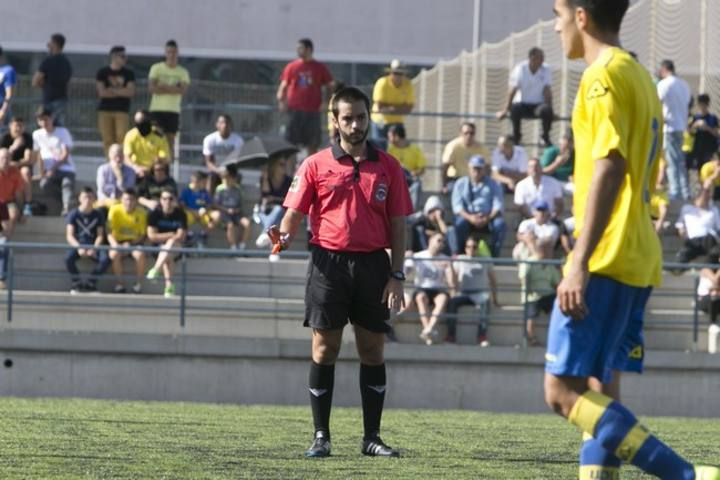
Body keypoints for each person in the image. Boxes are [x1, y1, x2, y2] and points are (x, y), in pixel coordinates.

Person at [547, 1, 719, 479]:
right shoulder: (641, 75)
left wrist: (578, 260)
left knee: (562, 393)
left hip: (607, 254)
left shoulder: (601, 77)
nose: (557, 27)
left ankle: (687, 475)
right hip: (638, 253)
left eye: (559, 16)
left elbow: (609, 164)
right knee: (602, 387)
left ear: (581, 16)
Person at [270, 86, 413, 458]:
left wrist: (397, 275)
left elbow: (398, 225)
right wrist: (282, 236)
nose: (355, 124)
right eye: (347, 118)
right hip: (327, 264)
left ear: (369, 119)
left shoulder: (389, 167)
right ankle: (321, 436)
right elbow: (294, 214)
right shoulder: (315, 164)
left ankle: (372, 438)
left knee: (372, 350)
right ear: (334, 121)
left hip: (372, 265)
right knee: (324, 347)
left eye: (361, 117)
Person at [276, 38, 333, 156]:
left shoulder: (319, 67)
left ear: (309, 49)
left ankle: (310, 172)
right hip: (294, 111)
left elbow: (330, 85)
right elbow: (283, 86)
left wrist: (326, 102)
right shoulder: (292, 66)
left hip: (312, 112)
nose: (298, 51)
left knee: (312, 145)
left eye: (300, 48)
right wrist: (281, 101)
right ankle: (290, 173)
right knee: (290, 145)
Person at [446, 236, 499, 346]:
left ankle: (482, 336)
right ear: (465, 248)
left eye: (474, 247)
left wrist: (495, 299)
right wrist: (450, 267)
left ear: (477, 248)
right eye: (468, 247)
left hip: (479, 294)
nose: (471, 249)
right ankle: (451, 336)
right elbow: (453, 281)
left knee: (485, 303)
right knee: (451, 303)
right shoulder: (460, 259)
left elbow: (493, 280)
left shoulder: (486, 260)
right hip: (463, 293)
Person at [496, 47, 554, 147]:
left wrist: (551, 111)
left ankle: (545, 137)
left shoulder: (546, 69)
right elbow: (512, 90)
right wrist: (505, 110)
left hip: (538, 106)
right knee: (515, 109)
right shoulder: (520, 69)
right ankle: (517, 137)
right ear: (532, 58)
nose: (542, 61)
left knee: (546, 110)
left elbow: (547, 91)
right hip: (522, 104)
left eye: (543, 58)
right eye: (540, 58)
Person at [451, 155, 506, 257]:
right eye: (474, 168)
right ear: (469, 169)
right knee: (459, 223)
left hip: (488, 218)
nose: (477, 171)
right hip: (468, 217)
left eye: (479, 168)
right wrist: (470, 217)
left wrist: (488, 218)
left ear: (484, 169)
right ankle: (461, 254)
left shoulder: (494, 184)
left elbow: (498, 205)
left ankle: (494, 256)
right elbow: (457, 207)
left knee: (500, 224)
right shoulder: (460, 183)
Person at [407, 232, 454, 346]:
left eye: (443, 242)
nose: (441, 244)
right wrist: (408, 259)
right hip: (422, 288)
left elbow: (451, 282)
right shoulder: (418, 256)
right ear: (430, 241)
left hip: (437, 289)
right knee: (421, 297)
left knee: (442, 298)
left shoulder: (445, 259)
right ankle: (428, 330)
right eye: (439, 240)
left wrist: (449, 267)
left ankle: (428, 329)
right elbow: (406, 273)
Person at [148, 39, 190, 159]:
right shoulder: (156, 68)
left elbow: (182, 91)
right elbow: (152, 88)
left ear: (177, 53)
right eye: (169, 52)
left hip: (173, 111)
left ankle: (167, 167)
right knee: (156, 139)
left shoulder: (182, 72)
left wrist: (162, 85)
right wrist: (173, 88)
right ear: (165, 53)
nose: (171, 55)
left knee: (170, 141)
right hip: (157, 110)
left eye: (174, 52)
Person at [657, 59, 692, 201]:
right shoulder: (684, 84)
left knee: (672, 161)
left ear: (664, 69)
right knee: (680, 161)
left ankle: (675, 191)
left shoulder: (664, 84)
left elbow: (657, 102)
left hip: (669, 127)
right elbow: (688, 103)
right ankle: (685, 191)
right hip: (681, 126)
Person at [65, 187, 110, 293]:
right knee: (68, 258)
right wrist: (79, 248)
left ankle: (91, 282)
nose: (88, 200)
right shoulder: (73, 214)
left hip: (93, 244)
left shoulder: (98, 214)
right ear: (80, 199)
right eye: (85, 197)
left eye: (90, 197)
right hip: (78, 244)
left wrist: (94, 248)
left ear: (94, 199)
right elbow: (69, 235)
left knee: (105, 259)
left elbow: (100, 235)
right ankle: (76, 282)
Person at [32, 107, 76, 215]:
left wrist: (52, 169)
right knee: (45, 185)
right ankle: (67, 202)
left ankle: (67, 209)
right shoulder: (37, 134)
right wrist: (42, 172)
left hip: (65, 168)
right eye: (41, 120)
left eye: (46, 119)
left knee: (67, 184)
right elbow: (38, 155)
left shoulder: (62, 132)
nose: (44, 122)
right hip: (48, 171)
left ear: (52, 119)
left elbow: (65, 154)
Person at [519, 236, 560, 346]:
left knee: (560, 305)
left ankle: (557, 337)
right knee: (532, 312)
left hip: (548, 294)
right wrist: (530, 290)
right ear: (542, 249)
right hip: (533, 295)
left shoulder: (550, 265)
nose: (551, 251)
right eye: (549, 249)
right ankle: (531, 337)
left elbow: (557, 282)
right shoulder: (529, 262)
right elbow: (523, 279)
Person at [146, 188, 187, 298]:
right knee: (168, 254)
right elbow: (151, 236)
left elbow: (180, 236)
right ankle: (169, 286)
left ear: (175, 200)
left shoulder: (181, 214)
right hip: (158, 248)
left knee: (170, 245)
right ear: (160, 200)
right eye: (164, 198)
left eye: (170, 199)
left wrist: (170, 239)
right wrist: (170, 234)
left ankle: (156, 270)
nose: (167, 201)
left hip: (177, 246)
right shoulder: (154, 214)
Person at [96, 45, 136, 155]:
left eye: (125, 56)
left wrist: (112, 90)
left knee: (121, 137)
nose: (125, 59)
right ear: (114, 57)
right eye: (122, 56)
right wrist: (121, 91)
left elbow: (130, 92)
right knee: (107, 139)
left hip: (122, 110)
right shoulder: (102, 72)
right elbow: (102, 93)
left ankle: (121, 161)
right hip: (105, 110)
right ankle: (110, 163)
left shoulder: (129, 73)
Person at [107, 188, 147, 294]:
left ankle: (138, 285)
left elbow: (142, 235)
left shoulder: (142, 213)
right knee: (113, 254)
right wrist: (115, 244)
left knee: (140, 255)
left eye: (131, 199)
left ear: (136, 201)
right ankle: (120, 284)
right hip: (118, 242)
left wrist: (130, 244)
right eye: (126, 199)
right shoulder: (114, 209)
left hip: (134, 242)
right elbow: (108, 232)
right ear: (121, 200)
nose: (128, 202)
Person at [370, 59, 414, 150]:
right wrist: (400, 108)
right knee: (379, 150)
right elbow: (380, 107)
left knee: (398, 150)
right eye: (395, 73)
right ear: (391, 73)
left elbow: (409, 108)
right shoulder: (382, 83)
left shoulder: (408, 84)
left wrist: (389, 108)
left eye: (400, 73)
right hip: (380, 122)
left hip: (397, 122)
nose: (398, 76)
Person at [32, 33, 72, 126]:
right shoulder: (66, 62)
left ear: (55, 44)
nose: (48, 45)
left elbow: (35, 81)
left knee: (44, 126)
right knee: (59, 127)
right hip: (62, 99)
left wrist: (43, 84)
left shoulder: (48, 61)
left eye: (50, 42)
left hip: (48, 100)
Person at [674, 186, 720, 265]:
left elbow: (719, 227)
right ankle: (678, 268)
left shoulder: (713, 210)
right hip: (693, 240)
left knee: (714, 251)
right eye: (704, 197)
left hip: (708, 239)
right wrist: (681, 229)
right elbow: (680, 223)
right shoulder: (687, 209)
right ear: (696, 198)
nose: (706, 200)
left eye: (707, 197)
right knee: (683, 255)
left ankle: (708, 268)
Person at [441, 122, 490, 193]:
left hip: (475, 180)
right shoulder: (453, 146)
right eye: (466, 133)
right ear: (460, 134)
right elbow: (445, 167)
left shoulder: (481, 148)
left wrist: (485, 182)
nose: (469, 136)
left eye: (472, 133)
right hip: (455, 179)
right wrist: (444, 186)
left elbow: (487, 167)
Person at [254, 156, 292, 248]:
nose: (284, 167)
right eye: (281, 165)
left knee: (278, 210)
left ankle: (265, 233)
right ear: (274, 166)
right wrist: (266, 177)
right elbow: (265, 195)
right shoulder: (266, 178)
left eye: (285, 165)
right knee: (275, 223)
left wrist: (274, 199)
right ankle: (274, 252)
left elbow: (289, 199)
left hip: (281, 210)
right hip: (264, 210)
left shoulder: (288, 181)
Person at [211, 164, 250, 251]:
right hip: (225, 214)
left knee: (247, 223)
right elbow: (215, 204)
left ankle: (242, 246)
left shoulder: (238, 189)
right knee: (230, 225)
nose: (228, 180)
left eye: (231, 178)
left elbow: (241, 204)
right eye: (226, 177)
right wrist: (227, 210)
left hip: (237, 214)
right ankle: (233, 247)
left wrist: (236, 210)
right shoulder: (219, 189)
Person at [387, 123, 425, 210]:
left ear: (396, 136)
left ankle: (411, 212)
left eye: (390, 136)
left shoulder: (415, 149)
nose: (388, 140)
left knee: (417, 184)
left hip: (409, 180)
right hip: (394, 180)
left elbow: (422, 169)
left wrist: (412, 173)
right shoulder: (389, 149)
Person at [123, 109, 171, 178]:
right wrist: (137, 168)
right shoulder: (131, 135)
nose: (140, 127)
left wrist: (149, 169)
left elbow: (164, 158)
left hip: (154, 171)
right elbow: (126, 158)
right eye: (138, 124)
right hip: (135, 171)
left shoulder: (158, 136)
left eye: (143, 123)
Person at [0, 118, 33, 215]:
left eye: (21, 126)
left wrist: (14, 164)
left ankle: (27, 204)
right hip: (7, 167)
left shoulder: (27, 138)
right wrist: (13, 147)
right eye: (16, 125)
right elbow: (2, 157)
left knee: (26, 171)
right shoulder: (4, 138)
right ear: (10, 126)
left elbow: (27, 159)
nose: (18, 128)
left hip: (18, 166)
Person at [202, 114, 243, 189]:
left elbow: (238, 161)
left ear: (231, 125)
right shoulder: (209, 139)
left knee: (238, 177)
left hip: (231, 169)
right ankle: (210, 200)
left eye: (227, 123)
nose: (224, 125)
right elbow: (208, 162)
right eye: (222, 123)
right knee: (211, 178)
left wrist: (227, 171)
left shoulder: (238, 140)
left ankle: (235, 198)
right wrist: (218, 171)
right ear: (217, 125)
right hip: (216, 169)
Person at [97, 143, 136, 209]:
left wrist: (120, 177)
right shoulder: (102, 169)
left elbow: (128, 191)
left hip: (123, 203)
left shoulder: (130, 171)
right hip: (106, 201)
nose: (118, 159)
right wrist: (110, 200)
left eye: (120, 156)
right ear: (109, 155)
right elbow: (101, 189)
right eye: (115, 156)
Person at [180, 170, 213, 248]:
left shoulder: (204, 192)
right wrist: (192, 211)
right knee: (182, 217)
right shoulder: (186, 191)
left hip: (202, 214)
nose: (205, 184)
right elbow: (182, 204)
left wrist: (205, 209)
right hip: (190, 213)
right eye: (204, 182)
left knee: (216, 216)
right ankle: (188, 236)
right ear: (198, 181)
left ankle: (203, 235)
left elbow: (210, 203)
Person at [687, 94, 719, 170]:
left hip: (709, 150)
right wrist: (695, 125)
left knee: (707, 171)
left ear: (707, 105)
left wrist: (707, 128)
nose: (702, 107)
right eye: (701, 104)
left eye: (704, 104)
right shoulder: (695, 118)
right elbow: (689, 133)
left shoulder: (713, 118)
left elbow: (717, 133)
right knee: (698, 170)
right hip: (697, 149)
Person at [0, 148, 26, 239]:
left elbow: (18, 193)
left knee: (14, 214)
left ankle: (5, 240)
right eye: (3, 158)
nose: (5, 160)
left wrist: (21, 212)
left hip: (8, 202)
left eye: (7, 158)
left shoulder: (15, 171)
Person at [0, 46, 17, 132]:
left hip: (2, 106)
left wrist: (3, 110)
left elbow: (9, 94)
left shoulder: (8, 70)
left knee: (3, 135)